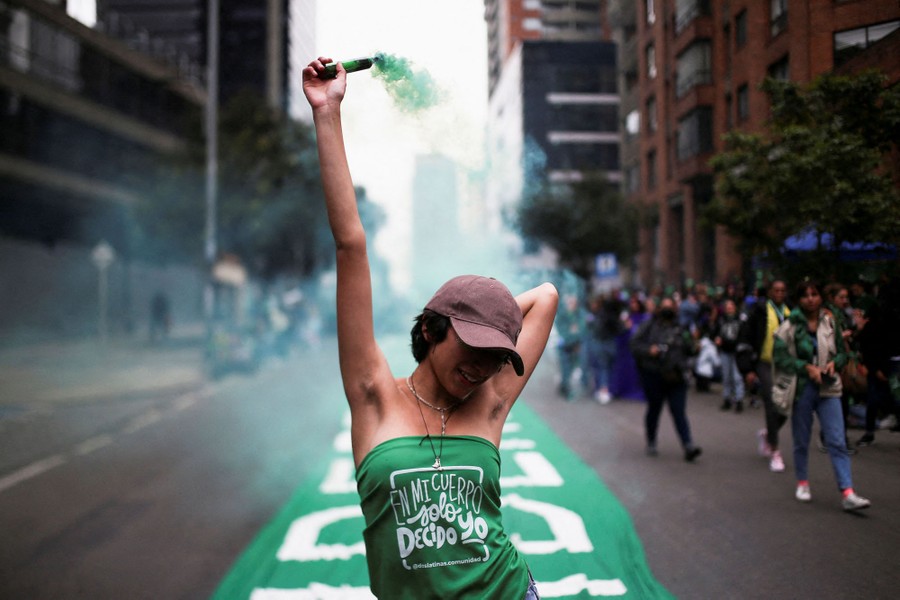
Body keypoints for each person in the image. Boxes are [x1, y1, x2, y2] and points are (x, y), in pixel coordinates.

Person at [302, 57, 557, 599]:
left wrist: (488, 322)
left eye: (496, 356)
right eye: (473, 345)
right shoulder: (373, 397)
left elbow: (547, 297)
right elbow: (351, 244)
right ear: (434, 329)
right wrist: (328, 113)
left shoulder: (489, 400)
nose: (484, 366)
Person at [772, 280, 870, 512]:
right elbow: (781, 358)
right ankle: (803, 482)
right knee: (802, 438)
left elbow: (843, 354)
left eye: (814, 294)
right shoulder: (790, 326)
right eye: (805, 295)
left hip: (829, 387)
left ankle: (848, 491)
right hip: (803, 387)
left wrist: (834, 364)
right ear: (798, 300)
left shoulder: (830, 322)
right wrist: (806, 367)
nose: (810, 299)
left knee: (836, 439)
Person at [630, 297, 703, 462]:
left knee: (679, 412)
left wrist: (695, 345)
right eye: (665, 306)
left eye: (670, 306)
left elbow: (690, 349)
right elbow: (634, 345)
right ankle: (651, 441)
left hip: (676, 377)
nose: (667, 309)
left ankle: (688, 445)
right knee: (654, 410)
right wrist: (650, 350)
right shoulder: (649, 326)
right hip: (654, 376)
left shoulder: (681, 328)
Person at [738, 280, 790, 472]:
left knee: (786, 406)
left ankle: (769, 433)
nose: (779, 293)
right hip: (764, 362)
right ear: (769, 292)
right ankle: (775, 450)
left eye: (782, 290)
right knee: (771, 401)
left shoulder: (790, 312)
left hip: (786, 364)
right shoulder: (758, 311)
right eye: (776, 290)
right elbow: (745, 337)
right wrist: (748, 369)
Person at [855, 276, 900, 447]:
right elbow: (870, 343)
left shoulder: (881, 312)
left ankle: (870, 432)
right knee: (878, 397)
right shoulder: (881, 315)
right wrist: (875, 368)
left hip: (885, 362)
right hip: (885, 362)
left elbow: (868, 342)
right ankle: (870, 431)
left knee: (877, 398)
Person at [609, 294, 648, 401]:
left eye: (636, 303)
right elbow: (620, 330)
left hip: (637, 350)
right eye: (632, 303)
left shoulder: (644, 318)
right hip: (626, 349)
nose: (633, 305)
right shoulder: (626, 317)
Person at [585, 292, 621, 403]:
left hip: (604, 344)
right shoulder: (603, 316)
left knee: (603, 368)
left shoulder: (599, 316)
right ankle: (603, 389)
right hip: (606, 343)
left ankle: (603, 389)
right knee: (604, 368)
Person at [555, 293, 588, 401]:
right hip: (564, 346)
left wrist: (575, 335)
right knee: (565, 367)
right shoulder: (563, 315)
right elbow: (562, 330)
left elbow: (581, 329)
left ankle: (565, 386)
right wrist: (572, 333)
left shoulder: (579, 315)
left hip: (575, 346)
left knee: (571, 368)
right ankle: (565, 388)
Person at [714, 299, 745, 412]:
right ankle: (727, 398)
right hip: (725, 351)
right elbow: (716, 332)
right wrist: (717, 339)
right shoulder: (721, 319)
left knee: (737, 377)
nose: (729, 308)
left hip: (737, 351)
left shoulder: (740, 319)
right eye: (727, 306)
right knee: (726, 376)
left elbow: (744, 333)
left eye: (731, 305)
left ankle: (739, 400)